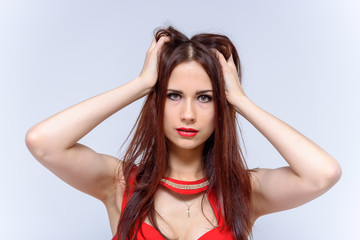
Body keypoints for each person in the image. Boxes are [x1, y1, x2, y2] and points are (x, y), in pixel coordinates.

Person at [25, 26, 342, 240]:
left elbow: (323, 174)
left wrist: (241, 101)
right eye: (173, 95)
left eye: (205, 97)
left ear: (221, 105)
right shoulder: (119, 183)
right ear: (157, 101)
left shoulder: (243, 191)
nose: (188, 114)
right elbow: (42, 142)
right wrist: (140, 85)